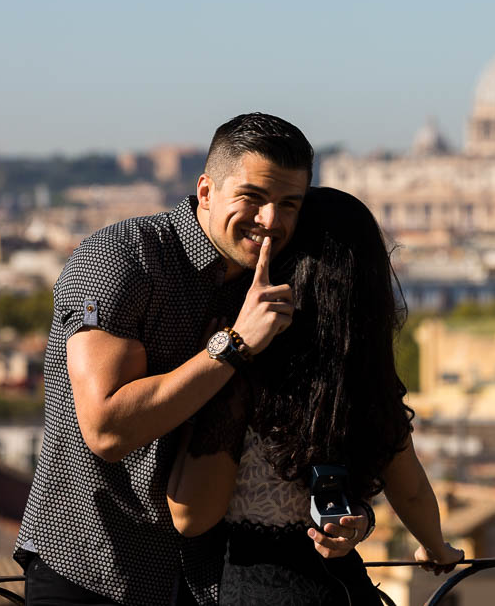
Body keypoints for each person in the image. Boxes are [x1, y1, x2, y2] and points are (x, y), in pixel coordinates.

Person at [14, 114, 371, 606]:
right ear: (206, 190)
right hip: (90, 564)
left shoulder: (272, 284)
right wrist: (235, 344)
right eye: (253, 198)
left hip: (206, 579)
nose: (271, 220)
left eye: (288, 204)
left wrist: (354, 518)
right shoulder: (123, 260)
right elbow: (108, 429)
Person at [167, 187, 465, 605]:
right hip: (342, 591)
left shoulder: (242, 367)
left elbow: (191, 515)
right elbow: (410, 486)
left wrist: (216, 365)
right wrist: (436, 548)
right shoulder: (361, 376)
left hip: (256, 590)